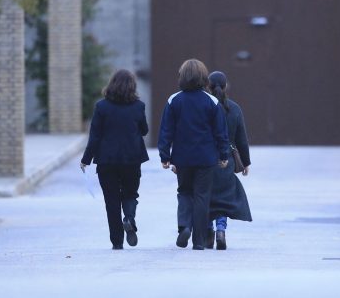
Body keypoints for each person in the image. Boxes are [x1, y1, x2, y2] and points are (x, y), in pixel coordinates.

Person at [158, 59, 230, 250]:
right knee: (202, 196)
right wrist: (224, 155)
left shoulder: (174, 100)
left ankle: (184, 227)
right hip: (206, 158)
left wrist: (165, 156)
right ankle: (198, 241)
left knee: (184, 192)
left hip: (182, 157)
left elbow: (166, 130)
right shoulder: (212, 102)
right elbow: (220, 133)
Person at [80, 69, 149, 250]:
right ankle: (129, 218)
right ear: (132, 86)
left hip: (106, 160)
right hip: (132, 159)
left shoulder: (101, 107)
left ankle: (117, 241)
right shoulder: (138, 106)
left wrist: (86, 159)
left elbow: (95, 136)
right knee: (130, 193)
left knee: (111, 200)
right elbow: (145, 130)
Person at [206, 71, 252, 250]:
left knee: (206, 195)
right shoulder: (234, 108)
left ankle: (207, 231)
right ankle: (220, 230)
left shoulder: (204, 108)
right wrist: (246, 162)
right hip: (227, 159)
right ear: (226, 87)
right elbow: (241, 138)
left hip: (205, 158)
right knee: (224, 197)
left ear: (207, 87)